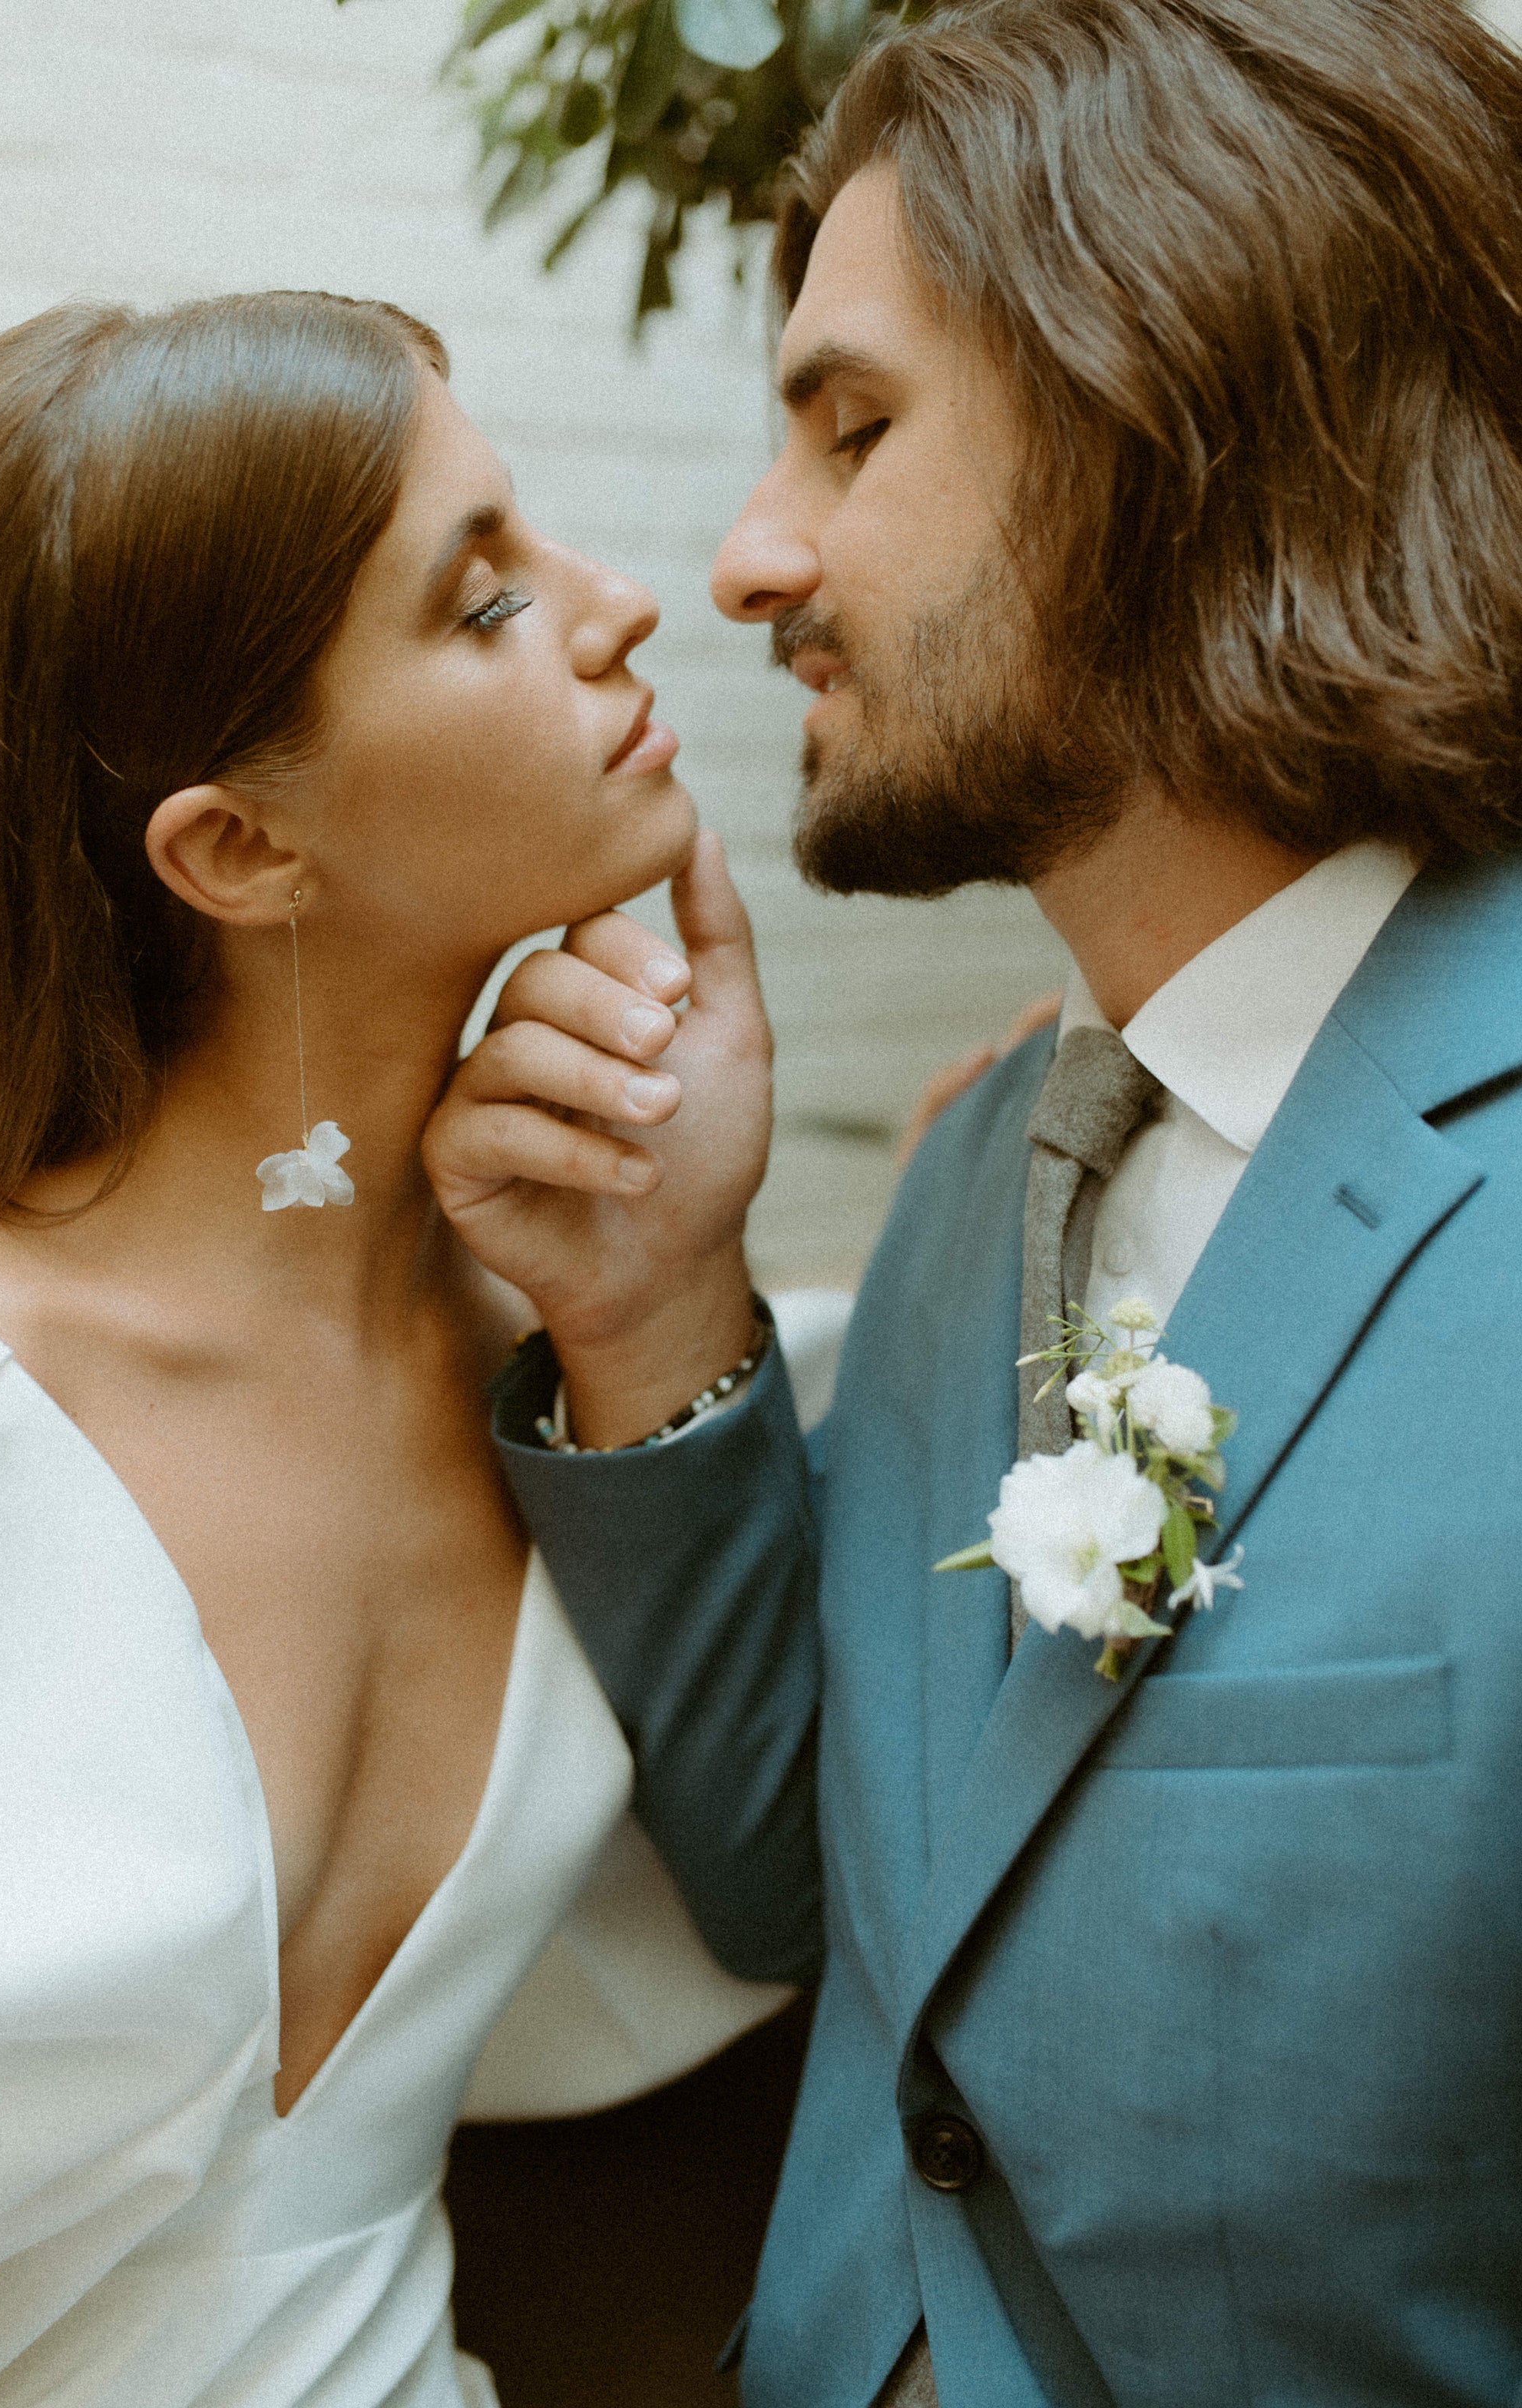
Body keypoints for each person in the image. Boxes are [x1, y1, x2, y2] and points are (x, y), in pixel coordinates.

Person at [422, 2, 1522, 2401]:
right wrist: (647, 1304)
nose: (746, 558)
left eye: (855, 425)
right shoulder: (973, 1178)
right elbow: (844, 1902)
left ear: (1178, 416)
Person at [0, 288, 791, 2407]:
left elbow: (803, 1878)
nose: (622, 607)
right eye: (482, 600)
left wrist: (662, 1288)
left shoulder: (588, 1382)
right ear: (237, 848)